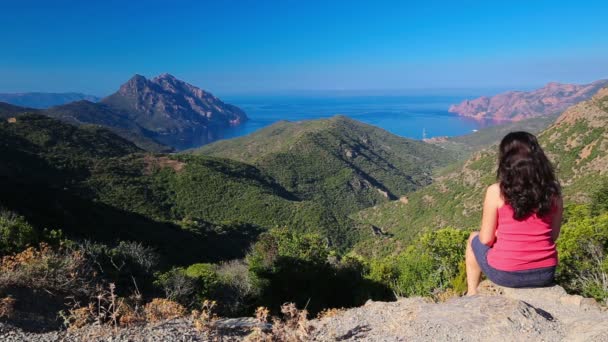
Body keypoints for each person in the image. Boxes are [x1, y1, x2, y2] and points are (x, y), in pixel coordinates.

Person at [465, 131, 563, 295]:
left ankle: (472, 293)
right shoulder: (554, 193)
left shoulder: (497, 191)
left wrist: (499, 234)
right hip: (545, 273)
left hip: (506, 274)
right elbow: (552, 235)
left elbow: (486, 239)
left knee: (473, 238)